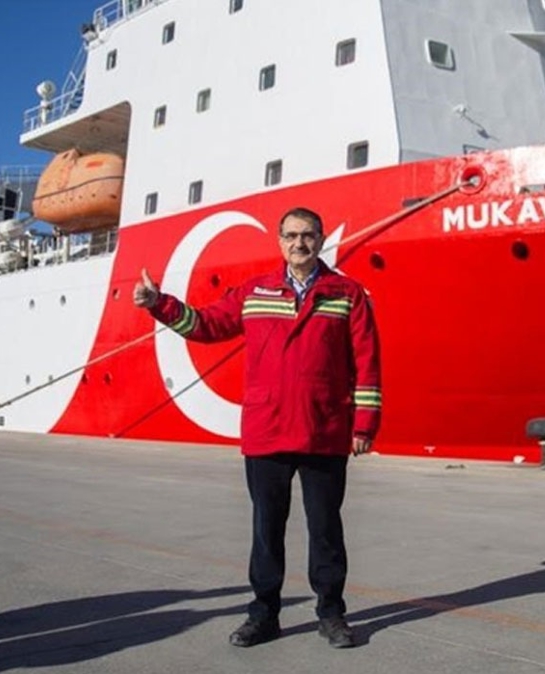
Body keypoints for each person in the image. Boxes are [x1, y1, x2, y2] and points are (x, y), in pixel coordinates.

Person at [133, 206, 382, 648]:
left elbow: (367, 360)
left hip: (324, 429)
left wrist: (364, 423)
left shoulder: (346, 294)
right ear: (280, 241)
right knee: (267, 530)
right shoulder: (255, 291)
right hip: (268, 430)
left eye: (308, 235)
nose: (299, 243)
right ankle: (264, 615)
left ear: (321, 239)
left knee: (326, 529)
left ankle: (331, 614)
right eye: (291, 235)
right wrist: (160, 304)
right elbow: (206, 325)